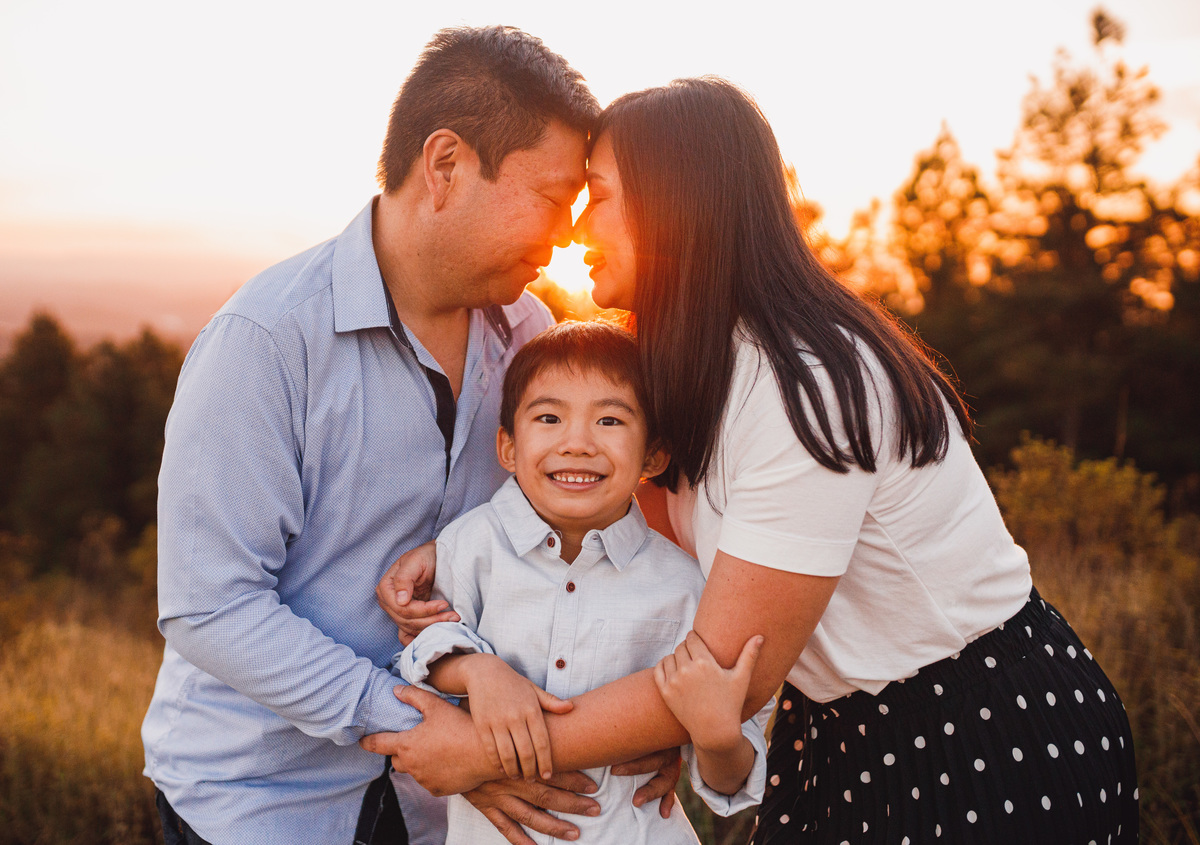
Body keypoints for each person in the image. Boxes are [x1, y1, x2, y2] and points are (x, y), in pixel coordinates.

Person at [366, 77, 1139, 845]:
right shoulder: (690, 363)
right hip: (836, 731)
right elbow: (620, 510)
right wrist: (462, 549)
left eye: (596, 196)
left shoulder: (806, 385)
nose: (574, 229)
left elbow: (726, 671)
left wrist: (483, 751)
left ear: (675, 205)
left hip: (971, 739)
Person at [138, 25, 683, 845]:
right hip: (262, 804)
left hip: (448, 812)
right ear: (446, 166)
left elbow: (570, 540)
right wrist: (430, 727)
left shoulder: (533, 338)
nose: (567, 235)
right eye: (548, 198)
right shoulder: (266, 341)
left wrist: (632, 717)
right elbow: (209, 606)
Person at [393, 320, 771, 843]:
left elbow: (730, 781)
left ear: (654, 456)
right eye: (549, 417)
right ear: (507, 447)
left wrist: (715, 736)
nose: (577, 443)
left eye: (610, 421)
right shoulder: (469, 546)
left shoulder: (685, 586)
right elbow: (420, 650)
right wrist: (477, 672)